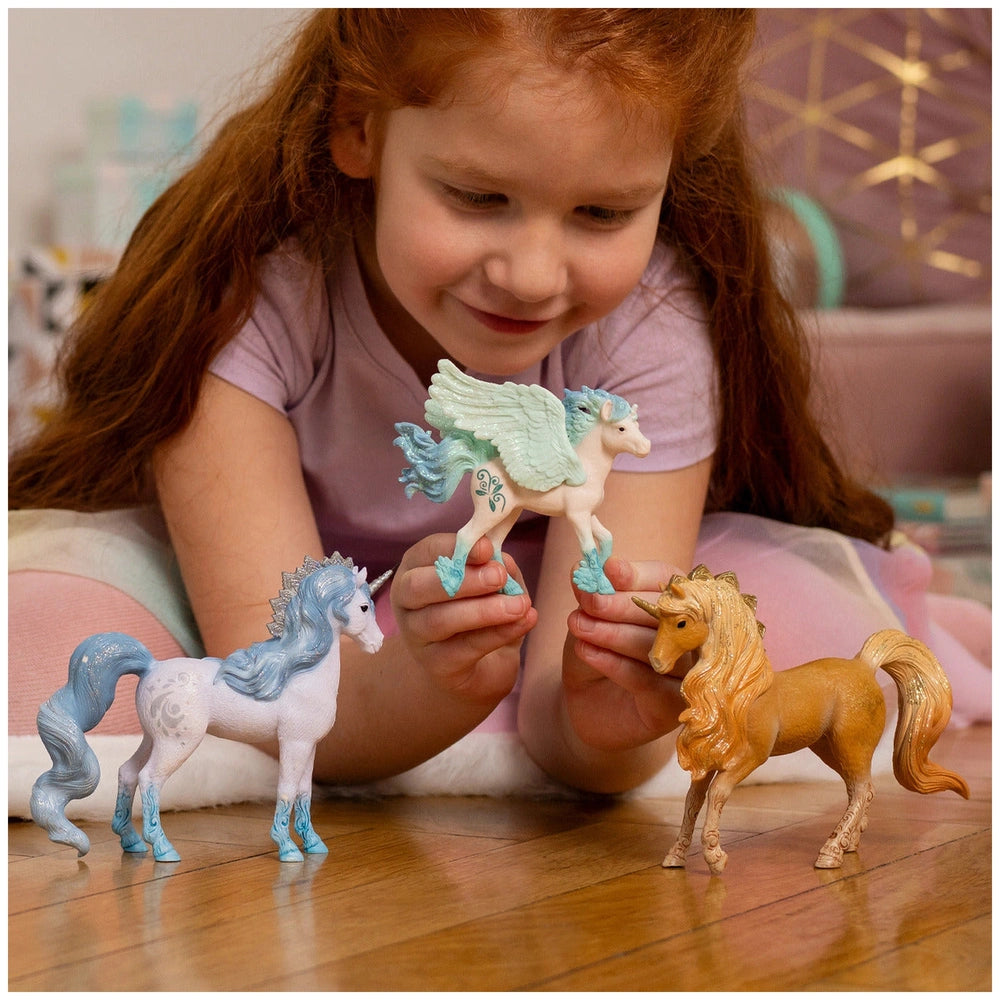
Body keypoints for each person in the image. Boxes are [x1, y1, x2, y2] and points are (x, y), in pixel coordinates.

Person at [8, 10, 988, 805]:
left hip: (523, 599)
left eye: (602, 213)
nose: (531, 275)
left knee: (785, 635)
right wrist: (420, 684)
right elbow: (282, 687)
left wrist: (608, 717)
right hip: (274, 604)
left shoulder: (652, 330)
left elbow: (577, 735)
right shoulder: (240, 303)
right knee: (50, 648)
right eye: (478, 197)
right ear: (359, 129)